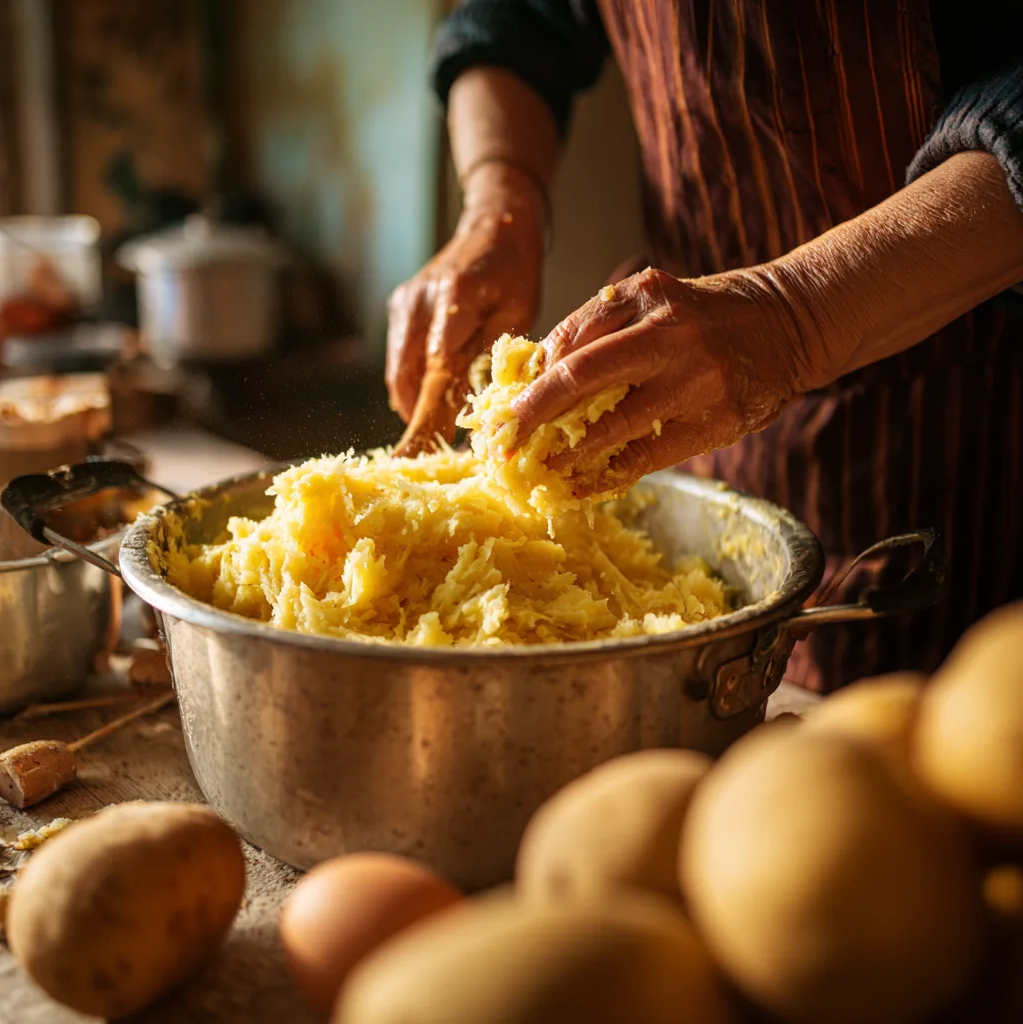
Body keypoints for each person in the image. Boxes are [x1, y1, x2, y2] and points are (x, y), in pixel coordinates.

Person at [385, 0, 1023, 692]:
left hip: (969, 430)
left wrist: (792, 315)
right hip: (694, 410)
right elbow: (514, 18)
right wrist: (497, 203)